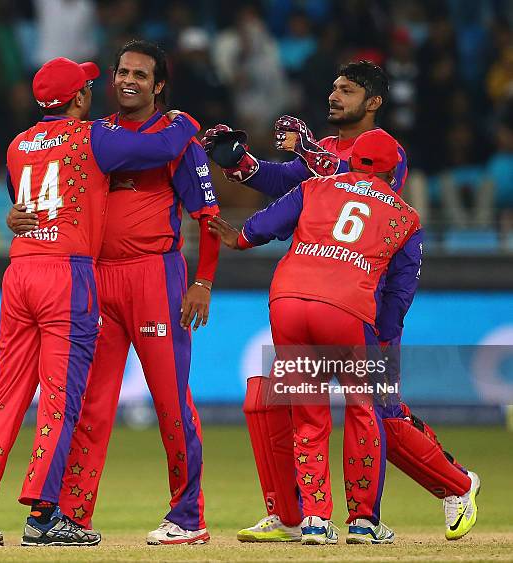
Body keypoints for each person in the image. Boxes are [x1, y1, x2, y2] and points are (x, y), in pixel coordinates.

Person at [202, 60, 479, 542]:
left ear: (373, 102)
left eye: (346, 90)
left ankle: (456, 485)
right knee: (276, 403)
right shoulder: (325, 153)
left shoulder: (389, 152)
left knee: (381, 414)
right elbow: (283, 182)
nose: (334, 96)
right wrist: (237, 163)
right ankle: (294, 514)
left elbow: (363, 188)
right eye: (333, 87)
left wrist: (308, 152)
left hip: (370, 305)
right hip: (318, 293)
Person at [0, 56, 200, 548]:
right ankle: (45, 518)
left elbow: (23, 202)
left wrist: (16, 219)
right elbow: (165, 144)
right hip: (67, 276)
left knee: (5, 399)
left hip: (20, 271)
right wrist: (188, 120)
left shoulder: (17, 145)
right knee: (61, 399)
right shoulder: (91, 137)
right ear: (80, 98)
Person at [209, 129, 419, 544]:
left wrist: (242, 237)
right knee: (363, 410)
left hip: (287, 301)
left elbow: (265, 225)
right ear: (395, 170)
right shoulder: (406, 218)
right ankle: (362, 521)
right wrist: (386, 341)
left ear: (351, 158)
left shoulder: (315, 185)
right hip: (346, 311)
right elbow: (398, 294)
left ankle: (315, 521)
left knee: (308, 414)